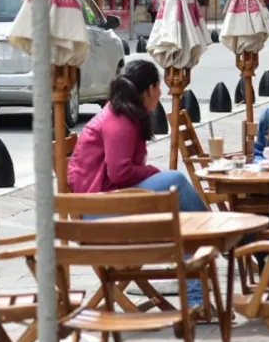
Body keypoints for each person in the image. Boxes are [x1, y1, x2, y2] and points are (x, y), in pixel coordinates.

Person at [67, 60, 206, 305]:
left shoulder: (122, 114)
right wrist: (151, 171)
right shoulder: (119, 121)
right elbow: (120, 173)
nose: (161, 93)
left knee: (186, 224)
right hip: (100, 212)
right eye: (158, 87)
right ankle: (215, 230)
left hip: (108, 204)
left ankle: (198, 301)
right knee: (175, 180)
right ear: (149, 89)